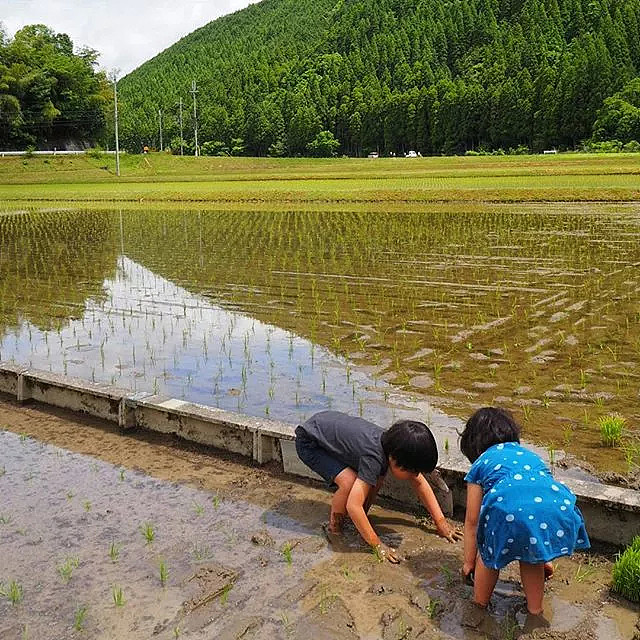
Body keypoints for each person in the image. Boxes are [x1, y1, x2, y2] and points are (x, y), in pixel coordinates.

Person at [459, 407, 590, 615]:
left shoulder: (481, 462)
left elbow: (472, 521)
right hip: (558, 506)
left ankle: (480, 604)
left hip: (509, 509)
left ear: (473, 444)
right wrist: (544, 556)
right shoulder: (531, 456)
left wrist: (468, 562)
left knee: (488, 549)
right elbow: (535, 505)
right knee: (532, 557)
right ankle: (536, 610)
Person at [295, 410, 462, 562]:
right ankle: (335, 528)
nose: (414, 476)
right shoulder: (374, 457)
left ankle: (360, 519)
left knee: (375, 479)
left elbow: (420, 483)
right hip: (310, 442)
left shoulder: (390, 444)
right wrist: (378, 545)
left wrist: (441, 523)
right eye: (412, 471)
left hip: (323, 425)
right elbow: (353, 506)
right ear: (396, 460)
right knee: (349, 482)